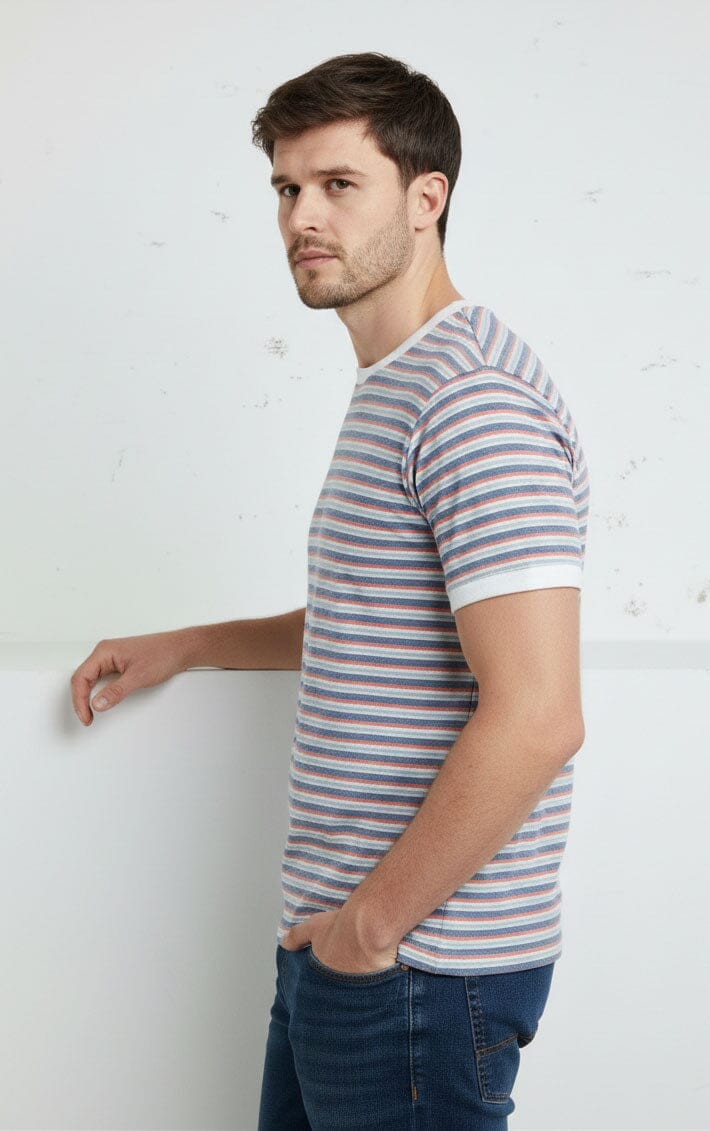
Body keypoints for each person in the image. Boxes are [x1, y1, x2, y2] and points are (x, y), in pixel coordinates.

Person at [71, 51, 589, 1131]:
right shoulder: (400, 384)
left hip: (418, 966)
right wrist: (189, 644)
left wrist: (371, 927)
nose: (302, 215)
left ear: (426, 197)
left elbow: (539, 715)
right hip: (354, 950)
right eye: (286, 187)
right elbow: (382, 626)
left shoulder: (472, 400)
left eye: (338, 184)